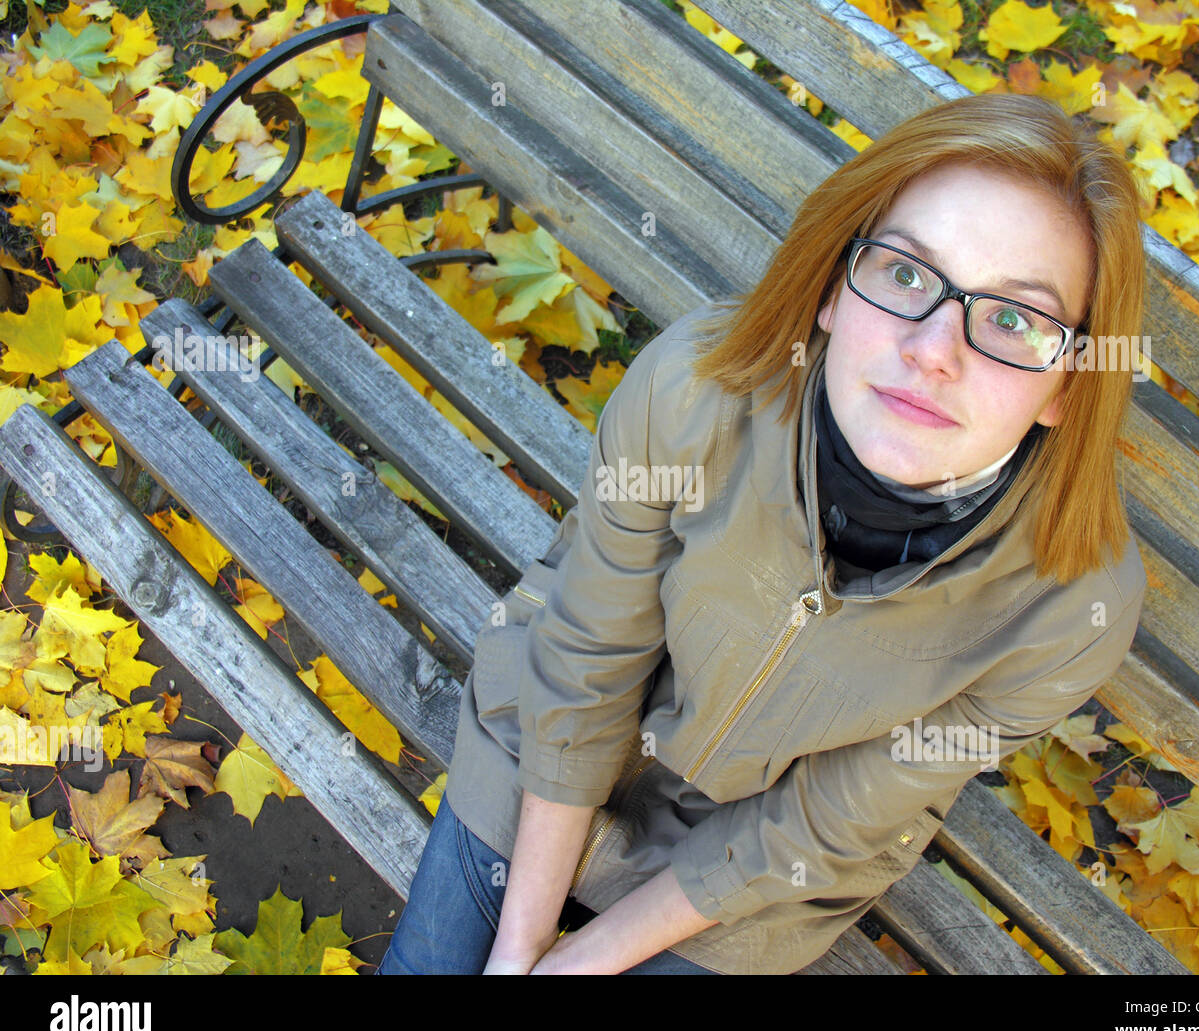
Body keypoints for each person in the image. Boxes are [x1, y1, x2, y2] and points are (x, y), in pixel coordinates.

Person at [377, 92, 1149, 976]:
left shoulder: (1068, 608)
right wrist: (520, 946)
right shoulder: (693, 392)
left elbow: (822, 821)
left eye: (1015, 319)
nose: (936, 348)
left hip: (760, 882)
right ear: (829, 290)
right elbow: (588, 656)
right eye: (904, 273)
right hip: (548, 750)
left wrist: (579, 960)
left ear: (1066, 388)